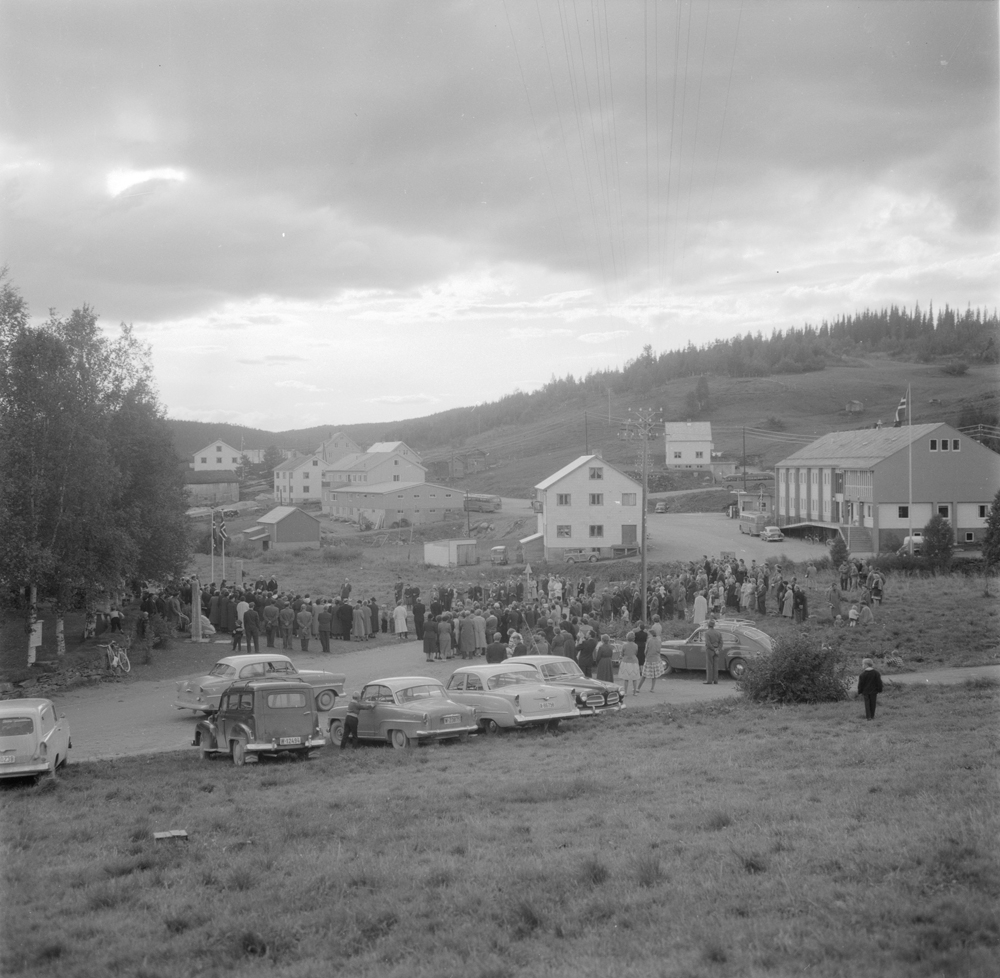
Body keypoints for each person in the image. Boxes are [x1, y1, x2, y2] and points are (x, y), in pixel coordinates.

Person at [618, 631, 640, 696]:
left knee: (626, 678)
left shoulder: (624, 645)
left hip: (626, 661)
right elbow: (636, 653)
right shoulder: (636, 645)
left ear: (627, 638)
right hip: (634, 661)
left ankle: (625, 692)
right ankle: (635, 692)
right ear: (633, 638)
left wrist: (620, 656)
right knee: (634, 678)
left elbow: (622, 654)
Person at [703, 618, 723, 685]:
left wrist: (714, 649)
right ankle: (716, 680)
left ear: (708, 625)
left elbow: (708, 643)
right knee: (716, 666)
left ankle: (709, 680)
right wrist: (718, 649)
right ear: (714, 625)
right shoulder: (718, 633)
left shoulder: (707, 633)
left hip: (710, 650)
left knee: (709, 665)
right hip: (717, 650)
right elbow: (721, 642)